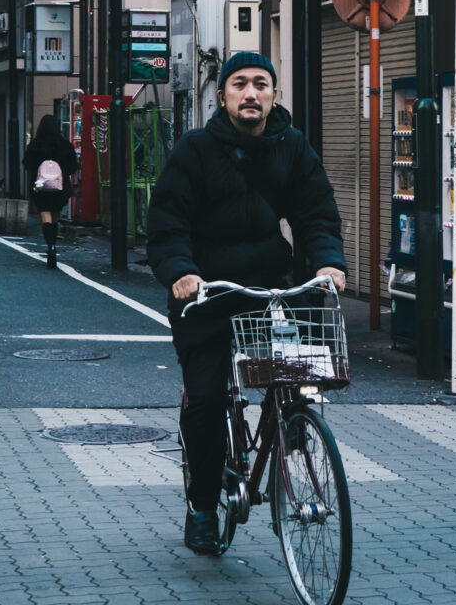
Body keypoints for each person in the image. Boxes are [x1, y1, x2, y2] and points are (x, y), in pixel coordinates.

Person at [146, 51, 347, 556]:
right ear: (223, 96)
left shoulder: (292, 147)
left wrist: (326, 262)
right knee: (209, 400)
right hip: (207, 295)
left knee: (300, 380)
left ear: (275, 95)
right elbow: (168, 220)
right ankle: (202, 507)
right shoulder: (195, 149)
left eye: (261, 84)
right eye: (240, 84)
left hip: (268, 290)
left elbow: (316, 211)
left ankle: (291, 429)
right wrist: (181, 272)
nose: (251, 93)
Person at [23, 114, 78, 269]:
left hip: (40, 186)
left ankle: (50, 247)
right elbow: (72, 166)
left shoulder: (35, 144)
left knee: (45, 213)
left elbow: (27, 164)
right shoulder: (65, 145)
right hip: (60, 187)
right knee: (55, 215)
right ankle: (53, 244)